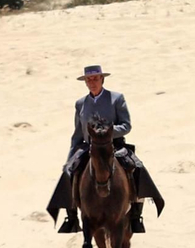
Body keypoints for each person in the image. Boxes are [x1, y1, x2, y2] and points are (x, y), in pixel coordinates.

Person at [46, 64, 164, 234]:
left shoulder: (116, 98)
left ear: (102, 79)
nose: (92, 82)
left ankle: (136, 215)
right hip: (89, 147)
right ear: (85, 82)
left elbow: (126, 125)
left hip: (113, 145)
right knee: (68, 171)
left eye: (95, 78)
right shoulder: (80, 104)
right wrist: (70, 157)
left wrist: (107, 132)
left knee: (137, 167)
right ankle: (71, 217)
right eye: (89, 79)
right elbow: (78, 133)